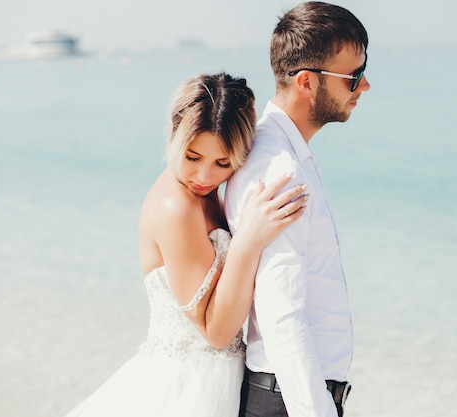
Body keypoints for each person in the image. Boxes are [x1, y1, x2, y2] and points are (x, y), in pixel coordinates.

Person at [62, 72, 308, 417]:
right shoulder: (175, 207)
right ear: (172, 130)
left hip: (216, 383)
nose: (205, 177)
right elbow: (217, 332)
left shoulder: (205, 197)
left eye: (223, 163)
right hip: (187, 389)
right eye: (193, 157)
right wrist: (249, 242)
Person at [224, 2, 370, 417]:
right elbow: (281, 315)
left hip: (289, 396)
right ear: (308, 82)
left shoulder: (283, 154)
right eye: (353, 77)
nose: (365, 87)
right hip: (291, 401)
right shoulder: (280, 170)